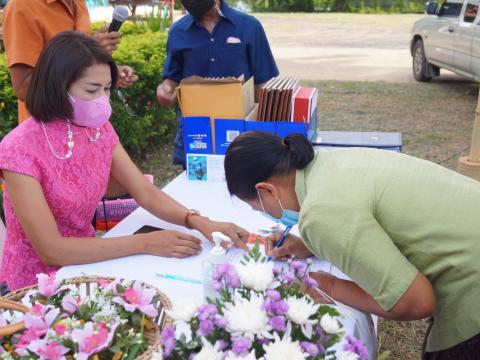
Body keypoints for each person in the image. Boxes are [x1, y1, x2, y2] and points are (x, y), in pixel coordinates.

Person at [0, 31, 249, 292]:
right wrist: (145, 243)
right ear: (57, 87)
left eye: (107, 88)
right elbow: (52, 250)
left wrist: (200, 222)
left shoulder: (97, 128)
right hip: (37, 285)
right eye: (91, 90)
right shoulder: (18, 149)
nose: (102, 99)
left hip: (88, 263)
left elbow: (144, 191)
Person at [224, 131, 480, 358]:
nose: (265, 214)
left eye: (257, 207)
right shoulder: (329, 162)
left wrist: (331, 286)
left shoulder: (320, 214)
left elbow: (416, 302)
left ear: (267, 190)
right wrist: (312, 245)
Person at [156, 0, 279, 168]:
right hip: (197, 133)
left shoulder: (249, 26)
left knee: (243, 186)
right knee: (196, 187)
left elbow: (262, 83)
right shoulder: (178, 32)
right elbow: (172, 79)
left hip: (239, 131)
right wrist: (165, 90)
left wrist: (263, 129)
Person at [2, 0, 138, 123]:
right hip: (47, 134)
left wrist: (108, 75)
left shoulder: (78, 2)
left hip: (86, 126)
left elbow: (80, 69)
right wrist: (85, 50)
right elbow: (23, 87)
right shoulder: (22, 5)